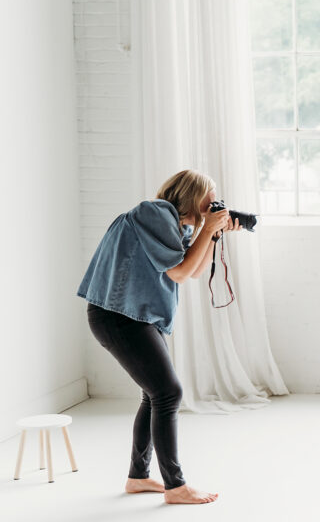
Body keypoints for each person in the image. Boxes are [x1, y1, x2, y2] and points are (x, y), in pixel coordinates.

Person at [78, 170, 242, 504]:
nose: (215, 201)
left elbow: (193, 271)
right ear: (192, 193)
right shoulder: (154, 212)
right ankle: (175, 486)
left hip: (137, 317)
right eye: (210, 193)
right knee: (168, 392)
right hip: (118, 316)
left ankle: (138, 478)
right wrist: (208, 228)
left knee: (154, 394)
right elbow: (179, 272)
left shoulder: (178, 227)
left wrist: (212, 235)